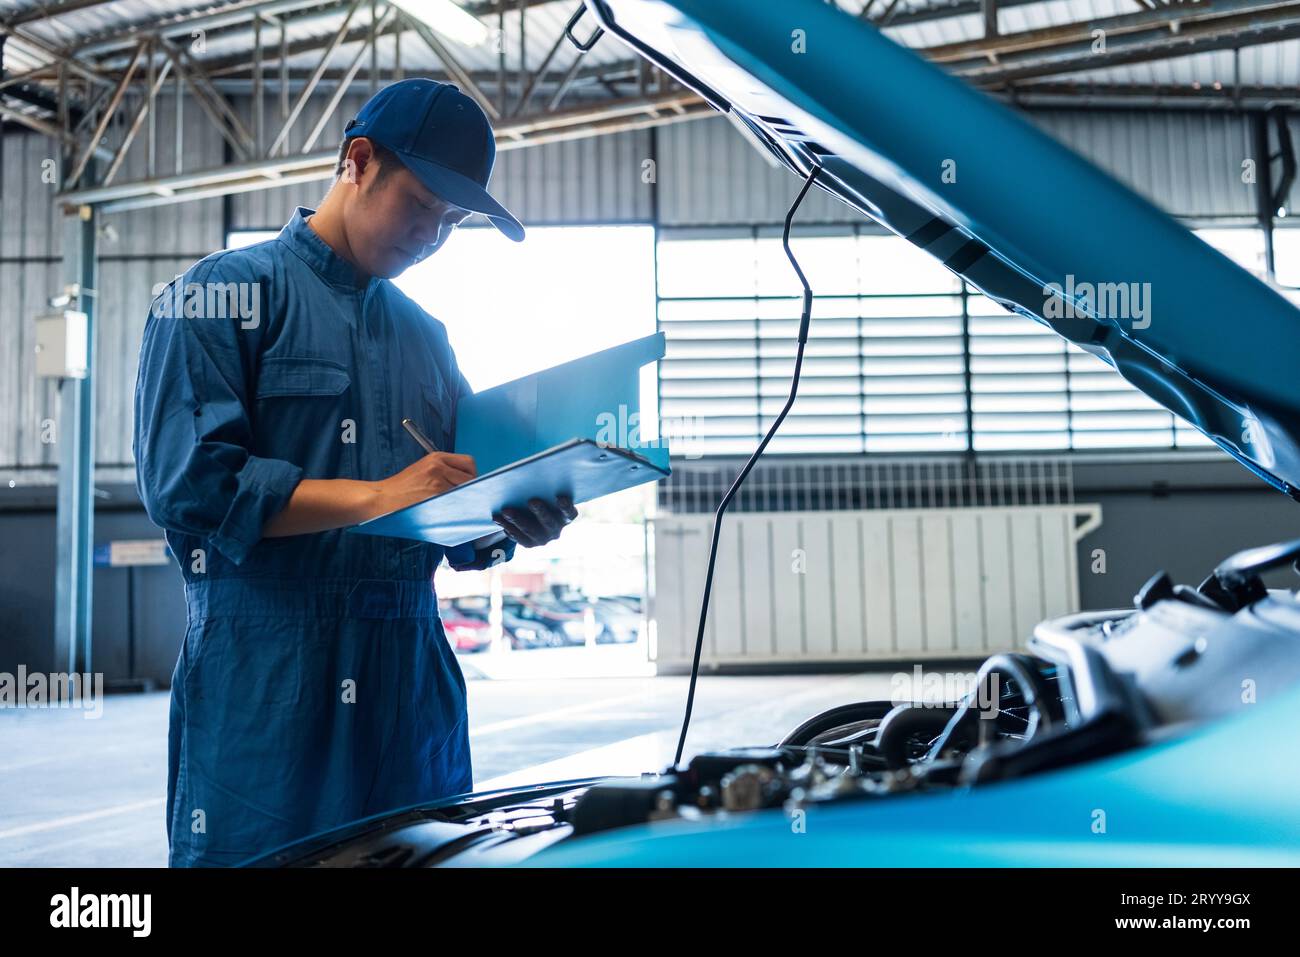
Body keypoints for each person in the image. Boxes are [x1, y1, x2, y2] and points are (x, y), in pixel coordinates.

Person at [133, 78, 577, 866]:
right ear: (359, 161)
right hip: (268, 676)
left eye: (451, 222)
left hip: (410, 686)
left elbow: (459, 501)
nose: (432, 236)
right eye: (421, 205)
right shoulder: (214, 298)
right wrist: (381, 495)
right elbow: (192, 484)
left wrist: (507, 516)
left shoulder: (427, 337)